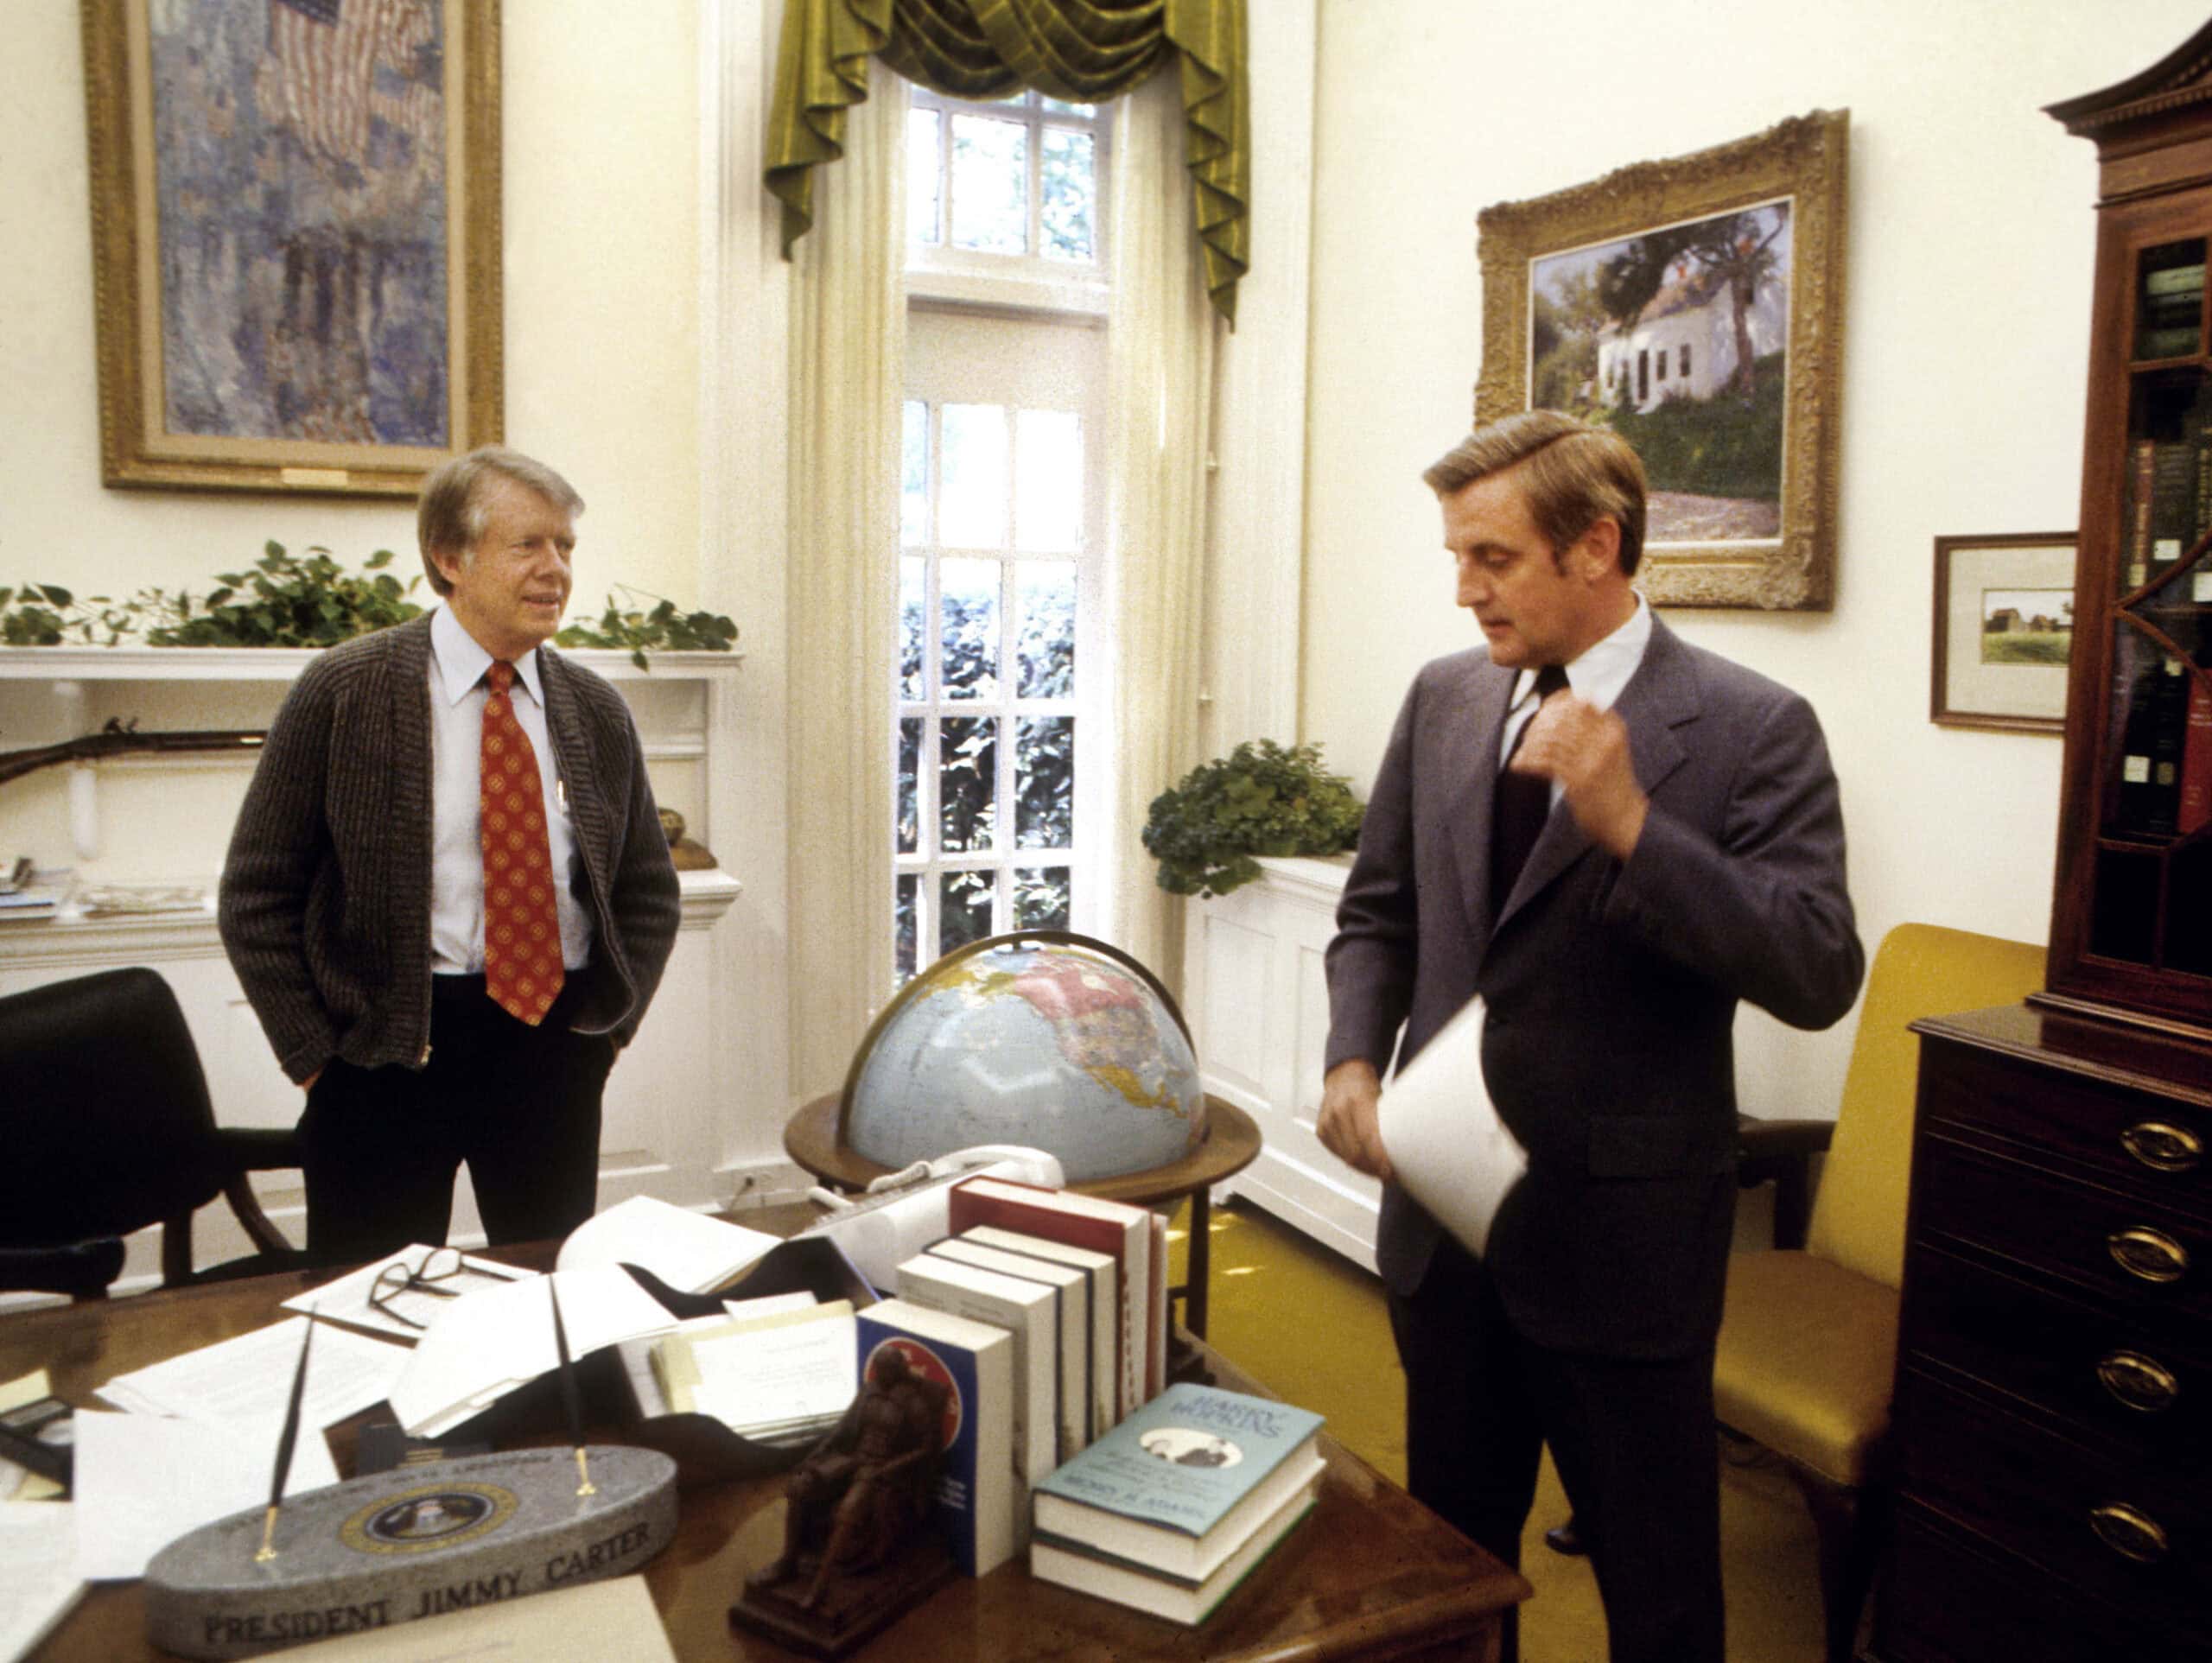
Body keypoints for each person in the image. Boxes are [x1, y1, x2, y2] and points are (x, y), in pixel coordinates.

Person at [1317, 411, 1862, 1663]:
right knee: (1452, 1570)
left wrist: (1632, 826)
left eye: (1493, 558)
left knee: (1661, 1599)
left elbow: (1819, 967)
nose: (1464, 590)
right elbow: (1379, 912)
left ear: (1598, 547)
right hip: (1445, 1241)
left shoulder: (1753, 727)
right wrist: (1355, 1056)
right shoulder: (1447, 697)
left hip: (1622, 1254)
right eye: (1457, 555)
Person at [219, 446, 682, 1266]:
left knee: (547, 1298)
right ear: (450, 558)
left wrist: (604, 1037)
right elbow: (255, 897)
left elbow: (648, 889)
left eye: (566, 547)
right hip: (381, 1054)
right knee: (367, 1307)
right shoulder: (342, 689)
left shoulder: (596, 710)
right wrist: (313, 1059)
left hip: (551, 1046)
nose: (555, 570)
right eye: (528, 545)